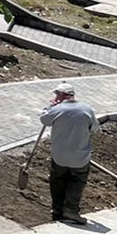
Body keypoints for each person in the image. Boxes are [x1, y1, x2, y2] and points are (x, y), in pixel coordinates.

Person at [41, 82, 98, 224]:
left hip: (60, 155)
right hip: (80, 156)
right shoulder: (87, 109)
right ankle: (71, 210)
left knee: (57, 180)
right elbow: (94, 128)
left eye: (56, 95)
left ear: (62, 95)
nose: (55, 98)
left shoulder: (57, 109)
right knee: (77, 182)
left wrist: (50, 107)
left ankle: (57, 210)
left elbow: (44, 120)